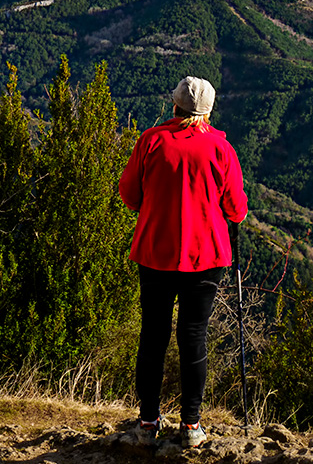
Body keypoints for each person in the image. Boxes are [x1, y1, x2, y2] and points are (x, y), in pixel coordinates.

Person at [119, 76, 248, 449]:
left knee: (153, 335)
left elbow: (129, 194)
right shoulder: (221, 149)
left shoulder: (151, 142)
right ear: (208, 111)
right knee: (193, 337)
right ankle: (191, 425)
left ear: (174, 105)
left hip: (156, 251)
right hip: (206, 256)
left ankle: (147, 423)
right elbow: (236, 209)